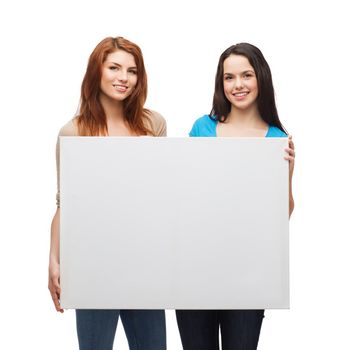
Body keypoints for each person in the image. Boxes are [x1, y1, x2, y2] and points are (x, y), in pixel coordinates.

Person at [48, 37, 167, 350]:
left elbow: (163, 196)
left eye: (132, 70)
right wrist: (53, 260)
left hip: (144, 260)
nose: (123, 78)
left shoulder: (152, 124)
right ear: (96, 72)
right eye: (114, 67)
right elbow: (65, 204)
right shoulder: (73, 131)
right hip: (93, 262)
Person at [175, 43, 295, 350]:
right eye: (229, 77)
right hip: (196, 271)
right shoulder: (203, 128)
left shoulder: (278, 140)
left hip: (247, 274)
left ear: (261, 79)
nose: (238, 85)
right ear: (221, 83)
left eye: (246, 75)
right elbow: (183, 199)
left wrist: (288, 172)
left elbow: (280, 216)